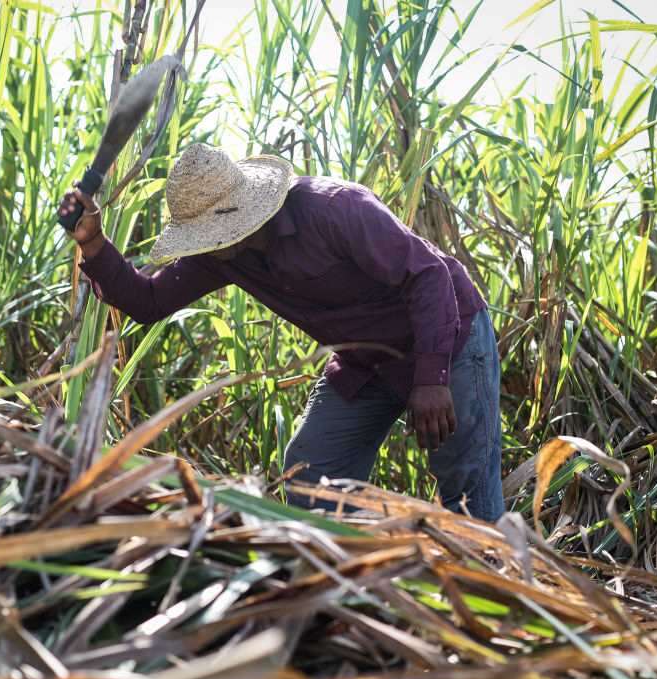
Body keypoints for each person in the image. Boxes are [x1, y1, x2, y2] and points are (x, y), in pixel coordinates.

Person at [58, 143, 504, 521]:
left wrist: (431, 378)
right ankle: (356, 589)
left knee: (467, 489)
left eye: (213, 232)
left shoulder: (336, 209)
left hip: (448, 341)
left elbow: (428, 276)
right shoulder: (222, 254)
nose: (209, 244)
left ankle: (498, 600)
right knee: (311, 474)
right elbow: (149, 302)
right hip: (366, 362)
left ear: (246, 210)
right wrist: (93, 243)